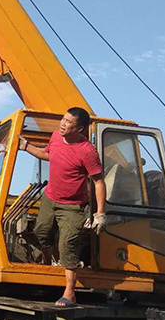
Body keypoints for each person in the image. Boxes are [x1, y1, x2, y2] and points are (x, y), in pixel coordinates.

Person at [18, 107, 106, 307]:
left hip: (73, 206)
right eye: (63, 119)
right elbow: (48, 155)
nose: (63, 124)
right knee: (41, 232)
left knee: (67, 245)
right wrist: (26, 146)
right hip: (50, 198)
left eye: (68, 122)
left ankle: (70, 293)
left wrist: (100, 213)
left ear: (80, 128)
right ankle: (51, 262)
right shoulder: (56, 136)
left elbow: (99, 182)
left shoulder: (87, 152)